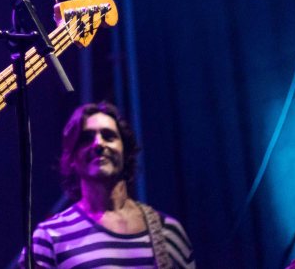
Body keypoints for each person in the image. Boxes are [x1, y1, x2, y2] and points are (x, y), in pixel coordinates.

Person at [22, 102, 195, 269]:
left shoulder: (168, 231)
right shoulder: (48, 238)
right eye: (86, 138)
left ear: (125, 151)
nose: (98, 144)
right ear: (72, 158)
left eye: (108, 136)